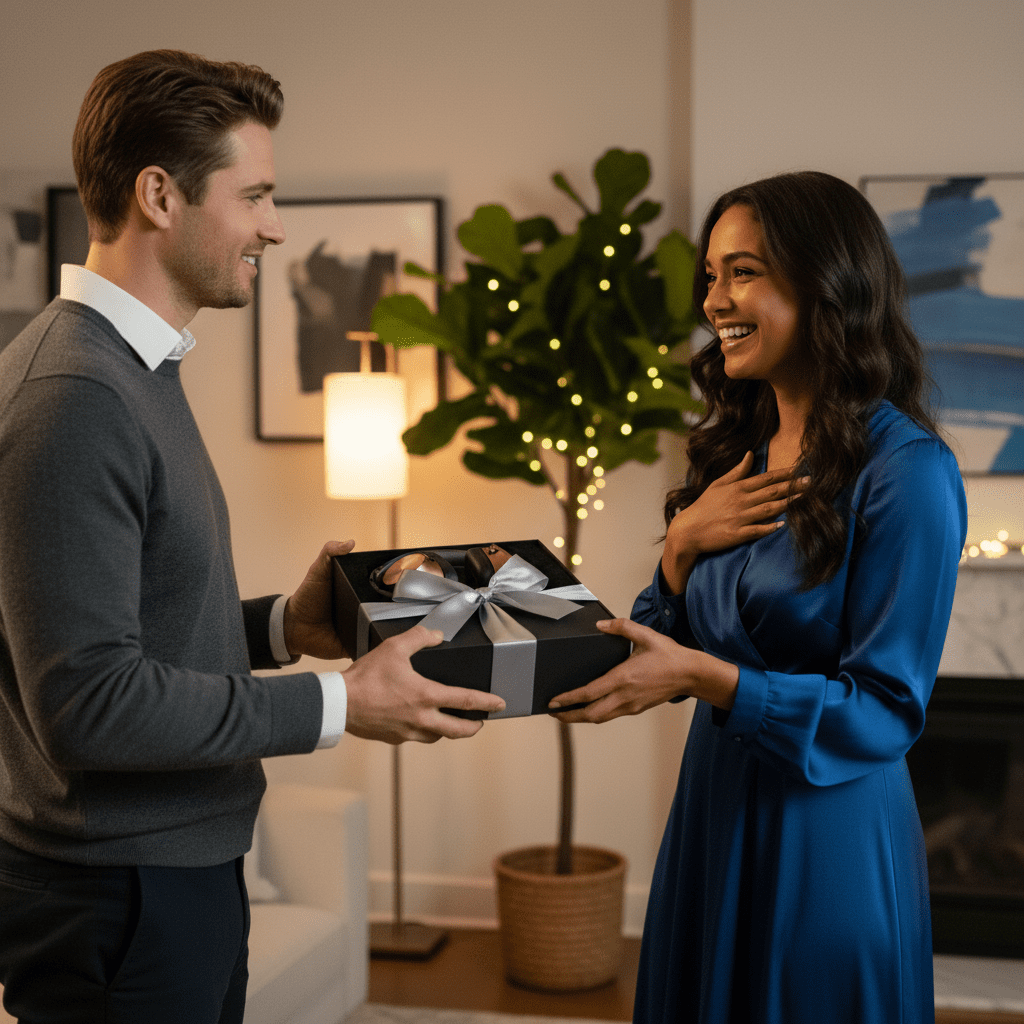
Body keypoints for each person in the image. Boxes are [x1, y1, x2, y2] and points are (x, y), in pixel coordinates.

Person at [0, 50, 504, 1024]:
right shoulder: (75, 396)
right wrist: (339, 701)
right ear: (159, 194)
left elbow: (125, 631)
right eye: (256, 194)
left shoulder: (133, 371)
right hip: (121, 896)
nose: (274, 225)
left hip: (172, 872)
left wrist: (285, 625)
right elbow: (89, 703)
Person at [549, 171, 967, 1023]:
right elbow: (659, 642)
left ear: (826, 284)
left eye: (745, 272)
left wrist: (712, 681)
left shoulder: (908, 472)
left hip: (828, 837)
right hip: (715, 809)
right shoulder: (737, 454)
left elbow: (887, 709)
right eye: (711, 276)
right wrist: (679, 546)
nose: (716, 301)